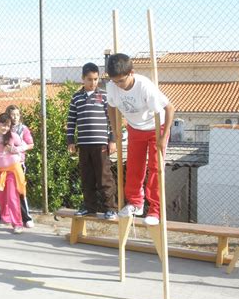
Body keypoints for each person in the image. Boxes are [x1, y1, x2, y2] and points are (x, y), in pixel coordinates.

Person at [106, 53, 174, 226]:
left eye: (121, 81)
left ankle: (155, 210)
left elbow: (169, 109)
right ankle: (135, 203)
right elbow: (111, 107)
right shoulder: (112, 86)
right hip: (135, 129)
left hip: (155, 129)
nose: (118, 85)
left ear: (132, 73)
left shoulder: (145, 86)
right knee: (134, 167)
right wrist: (115, 130)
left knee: (155, 168)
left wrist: (163, 136)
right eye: (114, 81)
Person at [66, 62, 118, 220]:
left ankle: (111, 208)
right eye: (89, 79)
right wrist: (70, 141)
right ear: (83, 79)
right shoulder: (76, 98)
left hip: (100, 144)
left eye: (96, 79)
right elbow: (71, 121)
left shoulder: (104, 97)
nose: (93, 82)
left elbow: (112, 120)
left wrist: (112, 140)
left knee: (104, 176)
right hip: (83, 144)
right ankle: (89, 207)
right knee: (86, 176)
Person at [0, 105, 35, 228]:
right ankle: (3, 215)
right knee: (4, 192)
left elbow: (30, 144)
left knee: (18, 192)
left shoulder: (23, 129)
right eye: (12, 115)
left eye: (17, 114)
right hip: (3, 165)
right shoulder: (3, 129)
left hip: (18, 164)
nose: (15, 117)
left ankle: (26, 217)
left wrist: (16, 149)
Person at [0, 113, 27, 234]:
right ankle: (5, 217)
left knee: (12, 197)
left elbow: (24, 146)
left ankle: (17, 224)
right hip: (0, 171)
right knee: (1, 197)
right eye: (3, 125)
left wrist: (14, 150)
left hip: (13, 170)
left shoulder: (13, 136)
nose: (5, 128)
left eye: (8, 126)